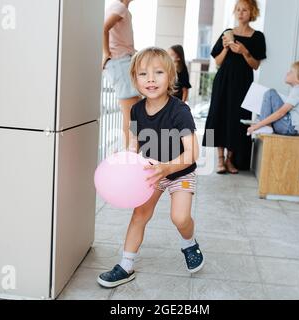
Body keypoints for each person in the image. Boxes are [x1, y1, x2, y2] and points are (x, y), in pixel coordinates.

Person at [97, 47, 204, 288]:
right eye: (143, 74)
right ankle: (125, 265)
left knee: (180, 217)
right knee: (139, 215)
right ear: (134, 79)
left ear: (171, 78)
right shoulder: (136, 110)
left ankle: (189, 242)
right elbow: (135, 144)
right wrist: (125, 158)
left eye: (158, 73)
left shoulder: (180, 111)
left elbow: (193, 152)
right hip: (151, 171)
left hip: (180, 171)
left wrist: (167, 168)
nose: (151, 79)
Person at [202, 0, 266, 174]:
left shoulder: (258, 36)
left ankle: (230, 159)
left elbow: (255, 65)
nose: (240, 13)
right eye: (238, 9)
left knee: (238, 119)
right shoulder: (227, 33)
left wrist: (244, 51)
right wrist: (226, 48)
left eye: (244, 10)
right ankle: (220, 160)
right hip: (224, 80)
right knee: (219, 115)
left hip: (243, 83)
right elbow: (218, 62)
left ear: (252, 12)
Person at [103, 0, 142, 149]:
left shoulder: (120, 8)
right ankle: (130, 154)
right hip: (119, 62)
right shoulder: (120, 7)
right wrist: (107, 53)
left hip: (122, 61)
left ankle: (131, 152)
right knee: (132, 113)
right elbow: (104, 28)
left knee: (134, 111)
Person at [247, 61, 299, 136]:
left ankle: (265, 126)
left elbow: (281, 113)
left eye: (291, 72)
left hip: (289, 127)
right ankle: (262, 123)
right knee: (270, 103)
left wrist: (258, 126)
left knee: (270, 93)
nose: (287, 73)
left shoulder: (298, 90)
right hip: (291, 128)